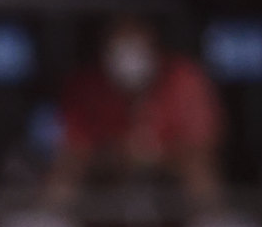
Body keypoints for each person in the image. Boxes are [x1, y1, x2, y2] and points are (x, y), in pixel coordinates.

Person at [46, 17, 223, 207]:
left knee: (198, 170)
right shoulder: (85, 86)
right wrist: (115, 155)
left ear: (154, 47)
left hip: (172, 166)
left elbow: (204, 144)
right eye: (121, 49)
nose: (129, 58)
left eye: (136, 47)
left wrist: (157, 154)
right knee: (67, 170)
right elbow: (72, 147)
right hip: (104, 169)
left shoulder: (185, 78)